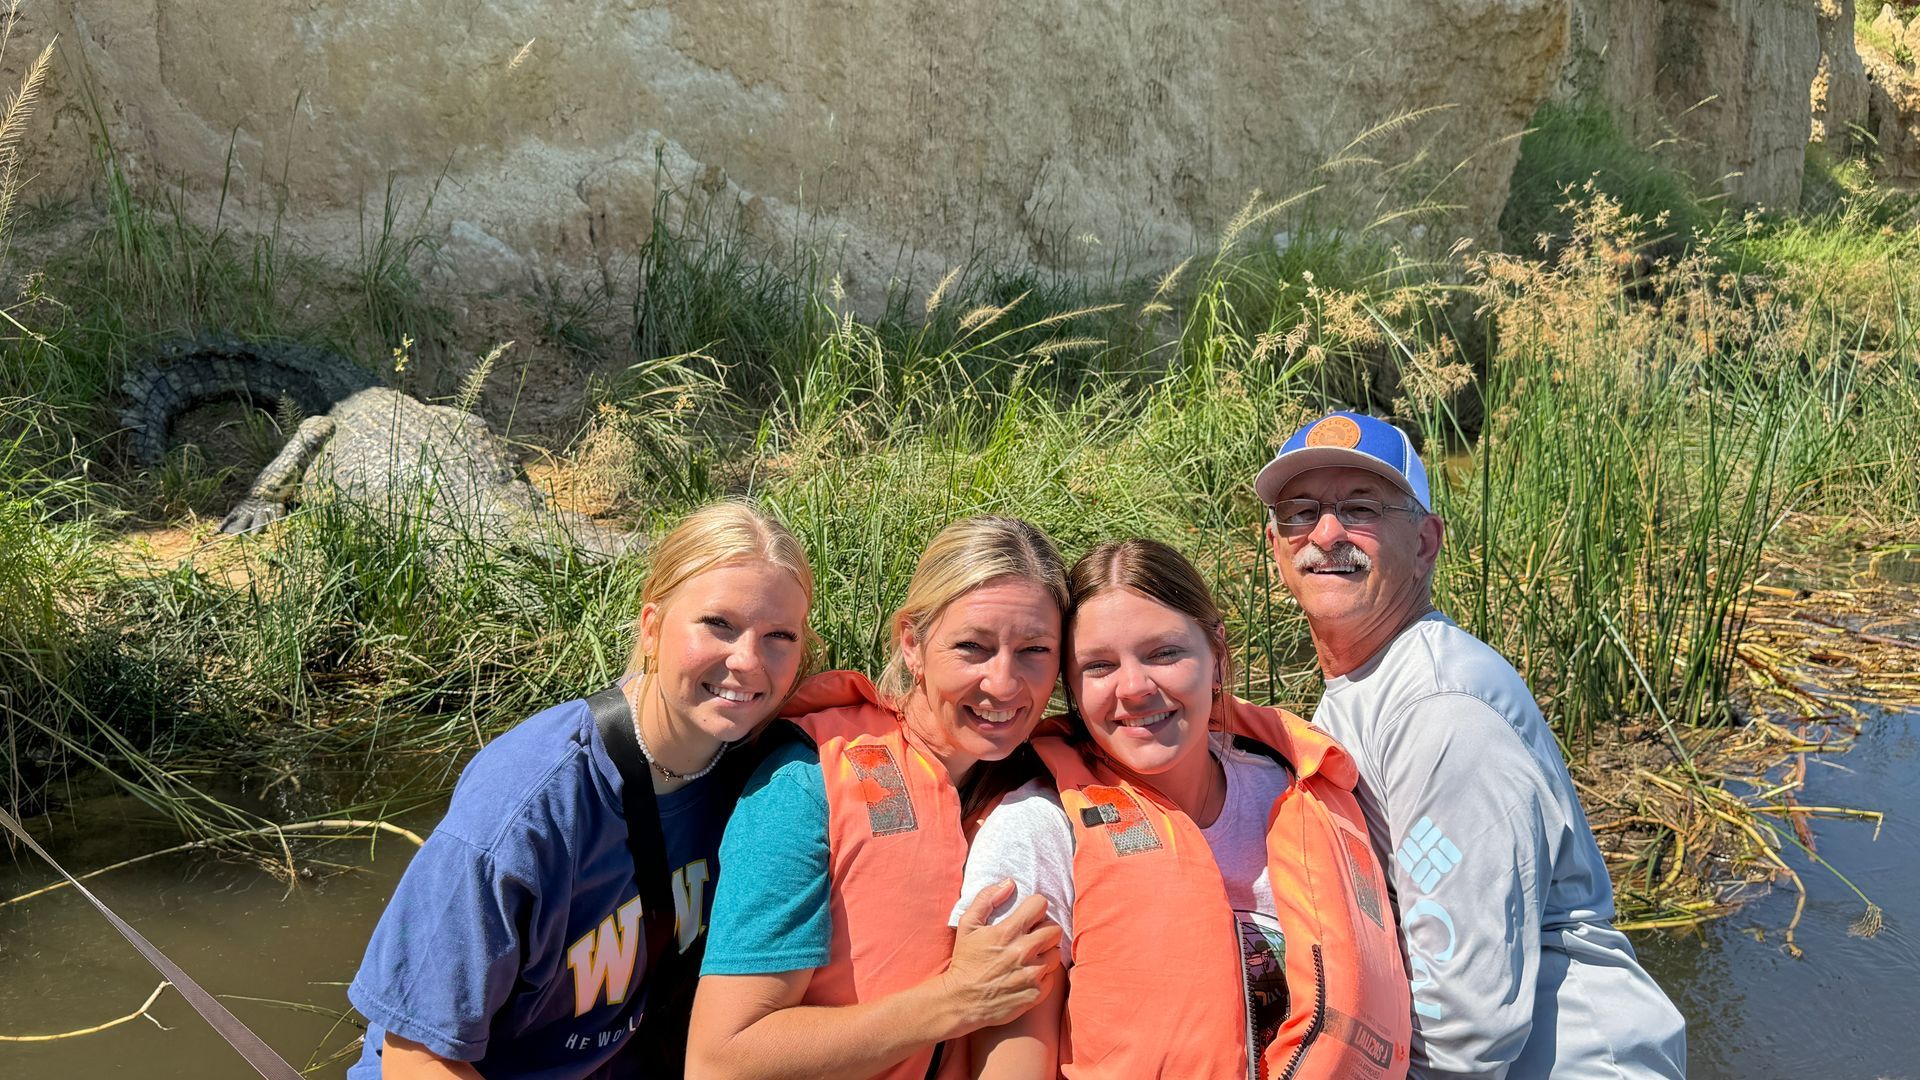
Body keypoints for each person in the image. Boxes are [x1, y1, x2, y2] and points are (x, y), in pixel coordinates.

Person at [1254, 411, 1688, 1078]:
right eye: (1301, 511)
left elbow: (1465, 1029)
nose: (1326, 533)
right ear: (1276, 543)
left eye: (1360, 508)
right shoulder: (1369, 678)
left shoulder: (1442, 711)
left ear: (1426, 541)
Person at [347, 499, 817, 1080]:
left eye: (779, 636)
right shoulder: (527, 804)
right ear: (651, 627)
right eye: (717, 624)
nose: (747, 661)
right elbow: (415, 1055)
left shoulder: (769, 775)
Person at [953, 538, 1412, 1079]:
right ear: (1071, 691)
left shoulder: (1299, 792)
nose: (1134, 688)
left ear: (1216, 656)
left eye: (1164, 653)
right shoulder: (1039, 831)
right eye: (1099, 665)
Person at [688, 515, 1070, 1080]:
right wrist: (954, 1000)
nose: (1005, 684)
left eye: (1035, 650)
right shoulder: (804, 782)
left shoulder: (1043, 785)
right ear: (912, 644)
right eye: (972, 647)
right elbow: (720, 1062)